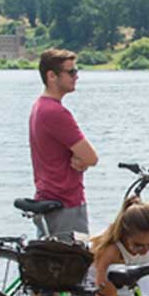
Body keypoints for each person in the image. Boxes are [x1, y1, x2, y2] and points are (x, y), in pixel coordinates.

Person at [29, 47, 101, 237]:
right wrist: (83, 161)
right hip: (65, 203)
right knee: (73, 265)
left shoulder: (39, 107)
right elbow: (92, 157)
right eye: (71, 72)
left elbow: (83, 158)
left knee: (51, 264)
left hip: (50, 198)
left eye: (76, 71)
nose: (76, 76)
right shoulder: (56, 113)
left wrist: (82, 161)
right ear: (52, 76)